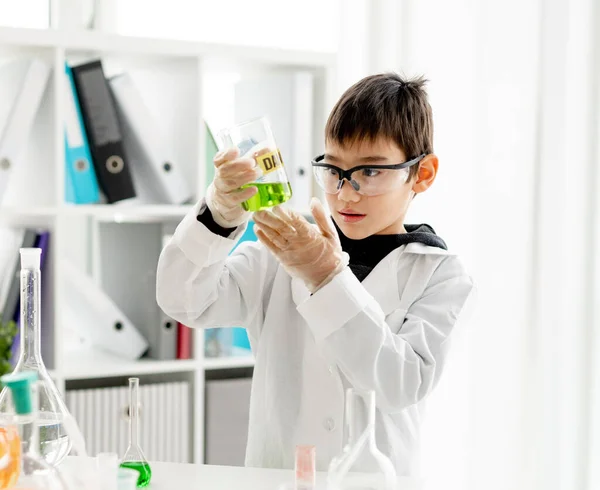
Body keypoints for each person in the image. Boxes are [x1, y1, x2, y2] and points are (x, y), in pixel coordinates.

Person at [156, 72, 475, 476]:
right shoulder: (279, 255)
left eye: (371, 172)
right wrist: (219, 213)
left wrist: (325, 276)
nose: (345, 192)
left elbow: (400, 383)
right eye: (334, 170)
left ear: (423, 173)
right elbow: (183, 300)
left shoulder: (442, 276)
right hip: (277, 478)